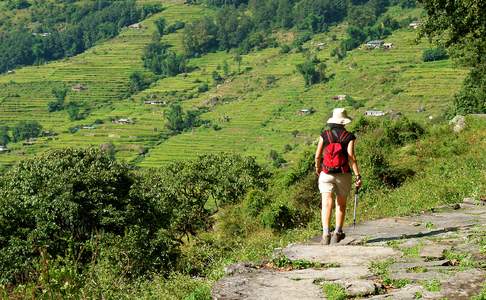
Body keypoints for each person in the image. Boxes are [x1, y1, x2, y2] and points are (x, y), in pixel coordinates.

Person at [314, 108, 362, 245]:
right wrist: (358, 175)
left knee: (326, 203)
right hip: (343, 174)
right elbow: (351, 157)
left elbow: (317, 155)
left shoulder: (325, 135)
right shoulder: (349, 137)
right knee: (341, 203)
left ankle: (325, 234)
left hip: (326, 173)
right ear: (344, 122)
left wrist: (318, 169)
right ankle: (337, 233)